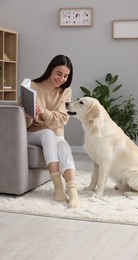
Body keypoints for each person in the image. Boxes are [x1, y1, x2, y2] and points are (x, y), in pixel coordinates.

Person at [21, 55, 80, 208]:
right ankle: (58, 187)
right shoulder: (31, 85)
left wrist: (44, 112)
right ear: (50, 70)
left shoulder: (65, 91)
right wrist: (28, 116)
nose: (61, 79)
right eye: (58, 73)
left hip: (55, 134)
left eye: (66, 76)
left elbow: (62, 119)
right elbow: (24, 123)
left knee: (63, 146)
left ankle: (72, 191)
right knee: (47, 133)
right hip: (33, 134)